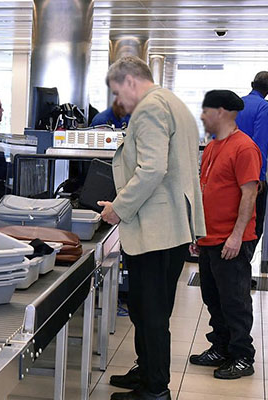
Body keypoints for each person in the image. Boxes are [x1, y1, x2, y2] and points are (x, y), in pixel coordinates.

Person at [97, 56, 205, 400]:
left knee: (152, 312)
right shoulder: (173, 102)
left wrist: (119, 208)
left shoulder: (148, 108)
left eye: (118, 92)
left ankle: (155, 390)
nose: (120, 102)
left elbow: (151, 169)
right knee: (146, 307)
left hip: (157, 229)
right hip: (172, 225)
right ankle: (146, 373)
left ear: (130, 81)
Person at [189, 90, 259, 380]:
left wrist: (236, 236)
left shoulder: (244, 147)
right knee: (213, 298)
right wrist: (197, 233)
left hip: (232, 239)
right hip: (209, 237)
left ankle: (243, 356)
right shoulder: (214, 146)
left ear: (222, 112)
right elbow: (206, 190)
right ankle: (221, 347)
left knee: (235, 300)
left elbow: (250, 193)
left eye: (206, 111)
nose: (203, 116)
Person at [235, 71, 268, 240]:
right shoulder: (264, 108)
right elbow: (260, 143)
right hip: (250, 176)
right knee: (253, 226)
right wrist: (259, 176)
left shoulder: (236, 104)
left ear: (252, 84)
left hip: (229, 174)